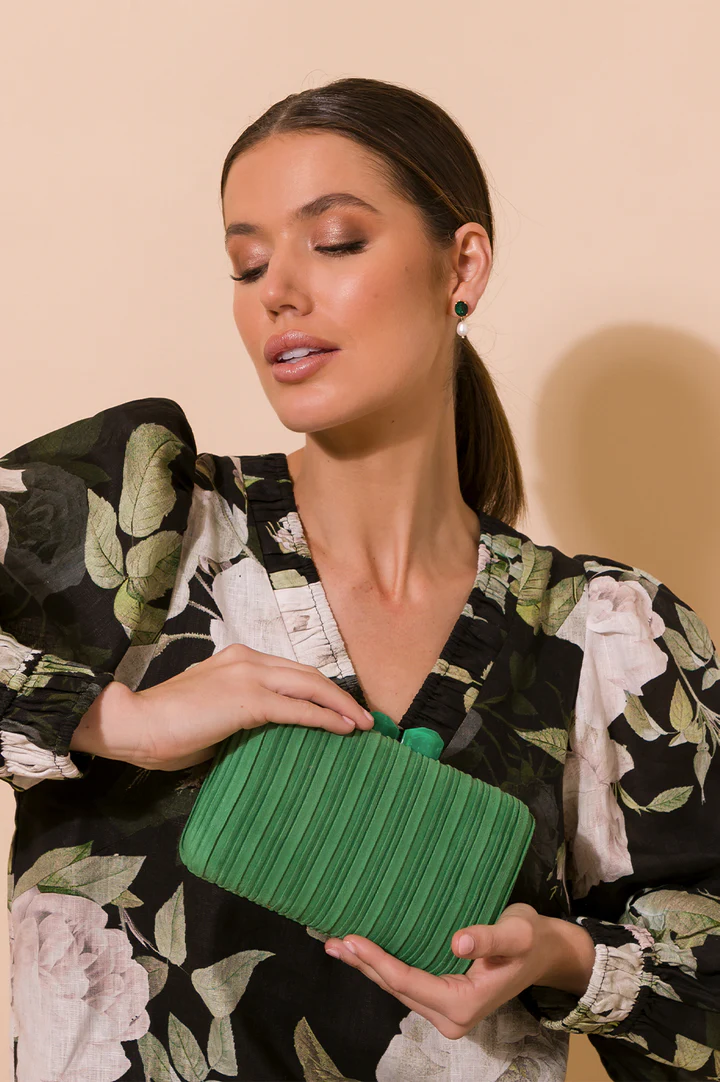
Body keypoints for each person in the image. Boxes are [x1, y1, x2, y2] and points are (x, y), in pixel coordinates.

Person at [1, 75, 718, 1082]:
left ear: (462, 265)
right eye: (248, 264)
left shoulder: (609, 636)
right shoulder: (148, 523)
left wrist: (561, 956)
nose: (278, 292)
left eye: (335, 241)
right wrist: (119, 721)